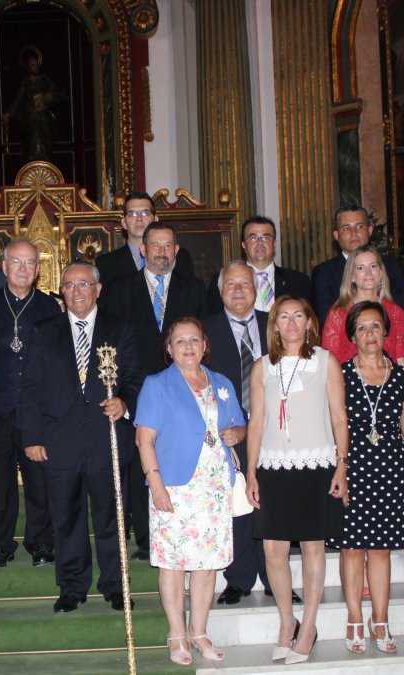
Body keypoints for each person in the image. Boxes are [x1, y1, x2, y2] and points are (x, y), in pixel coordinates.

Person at [19, 262, 144, 613]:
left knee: (111, 517)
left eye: (83, 284)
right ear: (62, 290)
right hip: (60, 441)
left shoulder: (119, 329)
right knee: (66, 518)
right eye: (69, 285)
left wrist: (125, 402)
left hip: (108, 439)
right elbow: (30, 387)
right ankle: (72, 587)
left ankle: (116, 585)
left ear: (98, 289)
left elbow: (135, 376)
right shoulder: (45, 331)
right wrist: (32, 437)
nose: (76, 292)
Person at [135, 318, 246, 665]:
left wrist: (237, 435)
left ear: (204, 345)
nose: (187, 347)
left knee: (207, 563)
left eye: (194, 340)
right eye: (179, 341)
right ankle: (176, 634)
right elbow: (144, 439)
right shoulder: (157, 385)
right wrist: (155, 484)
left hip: (213, 487)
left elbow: (238, 424)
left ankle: (198, 631)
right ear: (169, 349)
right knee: (173, 563)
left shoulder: (221, 382)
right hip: (174, 486)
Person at [245, 295, 348, 664]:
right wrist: (251, 471)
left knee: (311, 547)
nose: (290, 323)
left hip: (316, 464)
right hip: (273, 467)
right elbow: (256, 422)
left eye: (297, 316)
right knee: (273, 549)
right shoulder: (261, 367)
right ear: (274, 325)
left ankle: (310, 627)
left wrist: (341, 466)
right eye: (282, 317)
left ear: (309, 323)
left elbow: (339, 418)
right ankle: (288, 621)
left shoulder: (325, 361)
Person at [325, 301, 404, 655]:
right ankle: (355, 617)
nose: (370, 334)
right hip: (353, 467)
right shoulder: (339, 373)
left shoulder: (402, 377)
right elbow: (333, 427)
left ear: (387, 332)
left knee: (381, 551)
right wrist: (340, 470)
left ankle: (380, 619)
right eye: (362, 328)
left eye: (376, 327)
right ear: (352, 336)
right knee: (352, 549)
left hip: (390, 470)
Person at [102, 221, 204, 559]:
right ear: (142, 249)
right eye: (154, 246)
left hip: (183, 390)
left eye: (167, 246)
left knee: (176, 457)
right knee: (137, 461)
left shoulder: (195, 289)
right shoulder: (119, 290)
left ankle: (181, 523)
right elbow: (112, 342)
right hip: (136, 389)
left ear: (176, 251)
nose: (161, 252)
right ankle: (146, 538)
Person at [0, 240, 63, 568]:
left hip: (37, 410)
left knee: (40, 480)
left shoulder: (50, 308)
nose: (23, 269)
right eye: (17, 262)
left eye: (30, 263)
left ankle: (41, 543)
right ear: (5, 266)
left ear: (38, 269)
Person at [203, 262, 271, 605]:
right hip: (228, 431)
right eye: (231, 284)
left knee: (272, 504)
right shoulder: (206, 331)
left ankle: (276, 577)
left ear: (256, 287)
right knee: (239, 506)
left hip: (274, 429)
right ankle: (240, 578)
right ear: (220, 290)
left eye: (245, 283)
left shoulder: (274, 324)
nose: (239, 290)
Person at [310, 206, 404, 322]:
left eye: (359, 226)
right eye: (346, 228)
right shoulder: (324, 272)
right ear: (336, 235)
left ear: (370, 230)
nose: (353, 233)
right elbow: (326, 314)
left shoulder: (391, 264)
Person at [320, 245, 404, 367]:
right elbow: (329, 362)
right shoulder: (338, 314)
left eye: (373, 266)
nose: (368, 272)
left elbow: (399, 358)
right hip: (348, 381)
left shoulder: (395, 312)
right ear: (351, 276)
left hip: (388, 380)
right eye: (360, 268)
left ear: (381, 272)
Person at [204, 216, 310, 314]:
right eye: (253, 238)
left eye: (265, 237)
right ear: (244, 245)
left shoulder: (298, 281)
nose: (260, 243)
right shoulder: (223, 279)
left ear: (274, 244)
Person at [94, 190, 193, 287]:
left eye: (145, 213)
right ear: (124, 223)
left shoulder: (180, 257)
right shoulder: (106, 264)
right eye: (132, 214)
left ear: (155, 220)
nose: (139, 219)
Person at [1, 45, 65, 162]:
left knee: (45, 138)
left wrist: (45, 98)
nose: (35, 68)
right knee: (32, 139)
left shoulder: (45, 80)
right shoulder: (25, 84)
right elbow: (17, 101)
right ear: (28, 68)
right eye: (32, 66)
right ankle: (33, 160)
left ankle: (45, 160)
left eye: (36, 65)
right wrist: (8, 114)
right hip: (30, 118)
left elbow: (56, 96)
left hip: (44, 117)